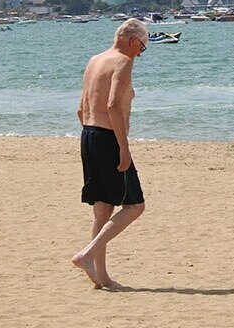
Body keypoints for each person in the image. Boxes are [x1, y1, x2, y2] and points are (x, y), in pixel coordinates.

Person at [71, 18, 148, 289]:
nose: (140, 53)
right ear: (132, 40)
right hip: (108, 139)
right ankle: (87, 254)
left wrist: (95, 140)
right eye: (142, 47)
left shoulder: (95, 60)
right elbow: (113, 104)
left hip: (88, 135)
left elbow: (81, 109)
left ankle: (101, 277)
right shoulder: (123, 62)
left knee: (102, 210)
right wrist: (123, 147)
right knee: (135, 205)